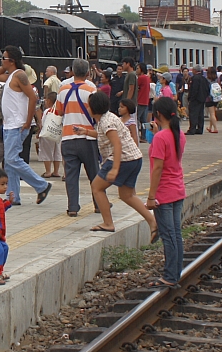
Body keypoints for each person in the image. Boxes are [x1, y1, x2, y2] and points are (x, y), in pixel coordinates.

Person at [78, 91, 156, 239]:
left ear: (94, 108)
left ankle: (108, 223)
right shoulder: (109, 118)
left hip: (122, 159)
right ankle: (152, 221)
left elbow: (116, 144)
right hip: (134, 158)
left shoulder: (106, 122)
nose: (87, 108)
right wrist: (86, 131)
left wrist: (114, 169)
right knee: (127, 195)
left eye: (88, 106)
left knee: (96, 187)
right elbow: (103, 135)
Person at [0, 46, 52, 206]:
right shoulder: (10, 75)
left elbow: (32, 98)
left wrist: (27, 120)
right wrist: (4, 63)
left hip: (18, 125)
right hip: (9, 124)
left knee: (11, 159)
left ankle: (42, 185)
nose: (1, 60)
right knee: (10, 161)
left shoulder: (19, 75)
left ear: (12, 61)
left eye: (4, 58)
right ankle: (13, 196)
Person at [145, 97, 186, 288]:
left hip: (164, 192)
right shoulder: (178, 134)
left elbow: (157, 168)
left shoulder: (161, 137)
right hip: (177, 189)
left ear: (157, 114)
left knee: (168, 236)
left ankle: (169, 277)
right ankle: (175, 273)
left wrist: (151, 197)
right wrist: (157, 134)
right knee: (175, 234)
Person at [53, 58, 99, 217]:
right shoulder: (91, 90)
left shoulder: (62, 89)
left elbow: (58, 112)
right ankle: (99, 204)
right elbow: (97, 113)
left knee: (71, 175)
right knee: (94, 173)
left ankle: (72, 207)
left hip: (67, 138)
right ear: (88, 73)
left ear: (72, 72)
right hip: (88, 138)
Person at [37, 91, 63, 178]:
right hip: (58, 134)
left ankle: (48, 171)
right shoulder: (60, 111)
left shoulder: (48, 111)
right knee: (57, 152)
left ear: (48, 101)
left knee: (46, 152)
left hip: (48, 134)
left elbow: (43, 123)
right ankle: (56, 171)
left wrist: (39, 132)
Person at [186, 66, 209, 136]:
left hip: (195, 99)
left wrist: (191, 98)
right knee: (200, 114)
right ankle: (200, 128)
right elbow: (207, 89)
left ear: (195, 70)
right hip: (202, 99)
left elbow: (194, 89)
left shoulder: (194, 78)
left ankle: (192, 129)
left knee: (193, 114)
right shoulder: (204, 79)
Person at [135, 64, 151, 142]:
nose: (136, 70)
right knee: (144, 120)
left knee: (136, 119)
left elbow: (134, 86)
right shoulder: (147, 78)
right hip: (145, 101)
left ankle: (137, 135)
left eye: (138, 68)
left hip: (140, 100)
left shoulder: (141, 78)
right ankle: (145, 136)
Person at [204, 67, 221, 134]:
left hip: (209, 98)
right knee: (213, 113)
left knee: (212, 114)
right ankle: (210, 127)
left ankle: (215, 128)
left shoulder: (207, 80)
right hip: (216, 97)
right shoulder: (217, 79)